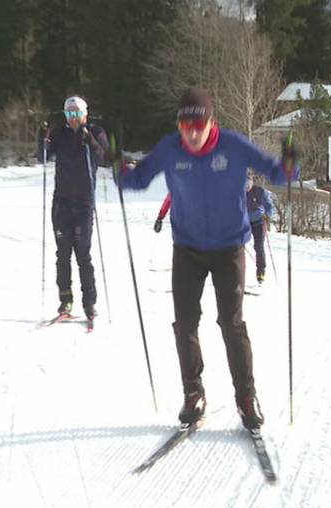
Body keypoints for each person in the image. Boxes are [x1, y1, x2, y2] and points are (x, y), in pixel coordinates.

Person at [114, 87, 297, 430]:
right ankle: (193, 394)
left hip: (229, 248)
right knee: (184, 324)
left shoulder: (234, 145)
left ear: (211, 122)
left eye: (199, 124)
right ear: (179, 125)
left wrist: (289, 164)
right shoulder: (170, 148)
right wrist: (116, 168)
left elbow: (277, 173)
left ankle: (246, 396)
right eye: (186, 125)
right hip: (187, 249)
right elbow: (137, 178)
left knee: (231, 322)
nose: (193, 132)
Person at [40, 96, 110, 330]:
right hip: (61, 202)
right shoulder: (59, 132)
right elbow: (42, 157)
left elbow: (105, 158)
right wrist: (42, 140)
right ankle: (65, 302)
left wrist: (90, 141)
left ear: (84, 114)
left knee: (83, 255)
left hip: (83, 204)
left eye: (76, 114)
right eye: (69, 114)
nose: (72, 119)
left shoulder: (95, 131)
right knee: (62, 254)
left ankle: (89, 304)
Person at [245, 175, 275, 284]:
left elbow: (269, 206)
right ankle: (236, 272)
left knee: (258, 246)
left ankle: (261, 271)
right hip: (244, 223)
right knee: (237, 247)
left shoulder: (260, 191)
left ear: (252, 182)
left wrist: (267, 214)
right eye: (244, 184)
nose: (246, 186)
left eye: (248, 183)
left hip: (258, 222)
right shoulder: (238, 191)